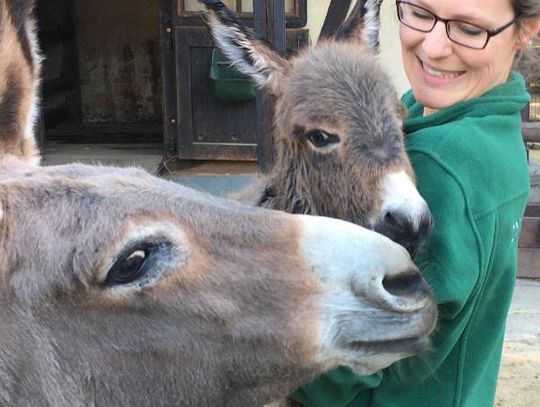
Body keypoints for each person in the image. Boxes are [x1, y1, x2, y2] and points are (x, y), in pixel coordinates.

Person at [291, 0, 540, 406]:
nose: (434, 47)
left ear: (527, 28)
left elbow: (338, 372)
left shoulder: (437, 167)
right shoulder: (496, 126)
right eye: (421, 13)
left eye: (470, 29)